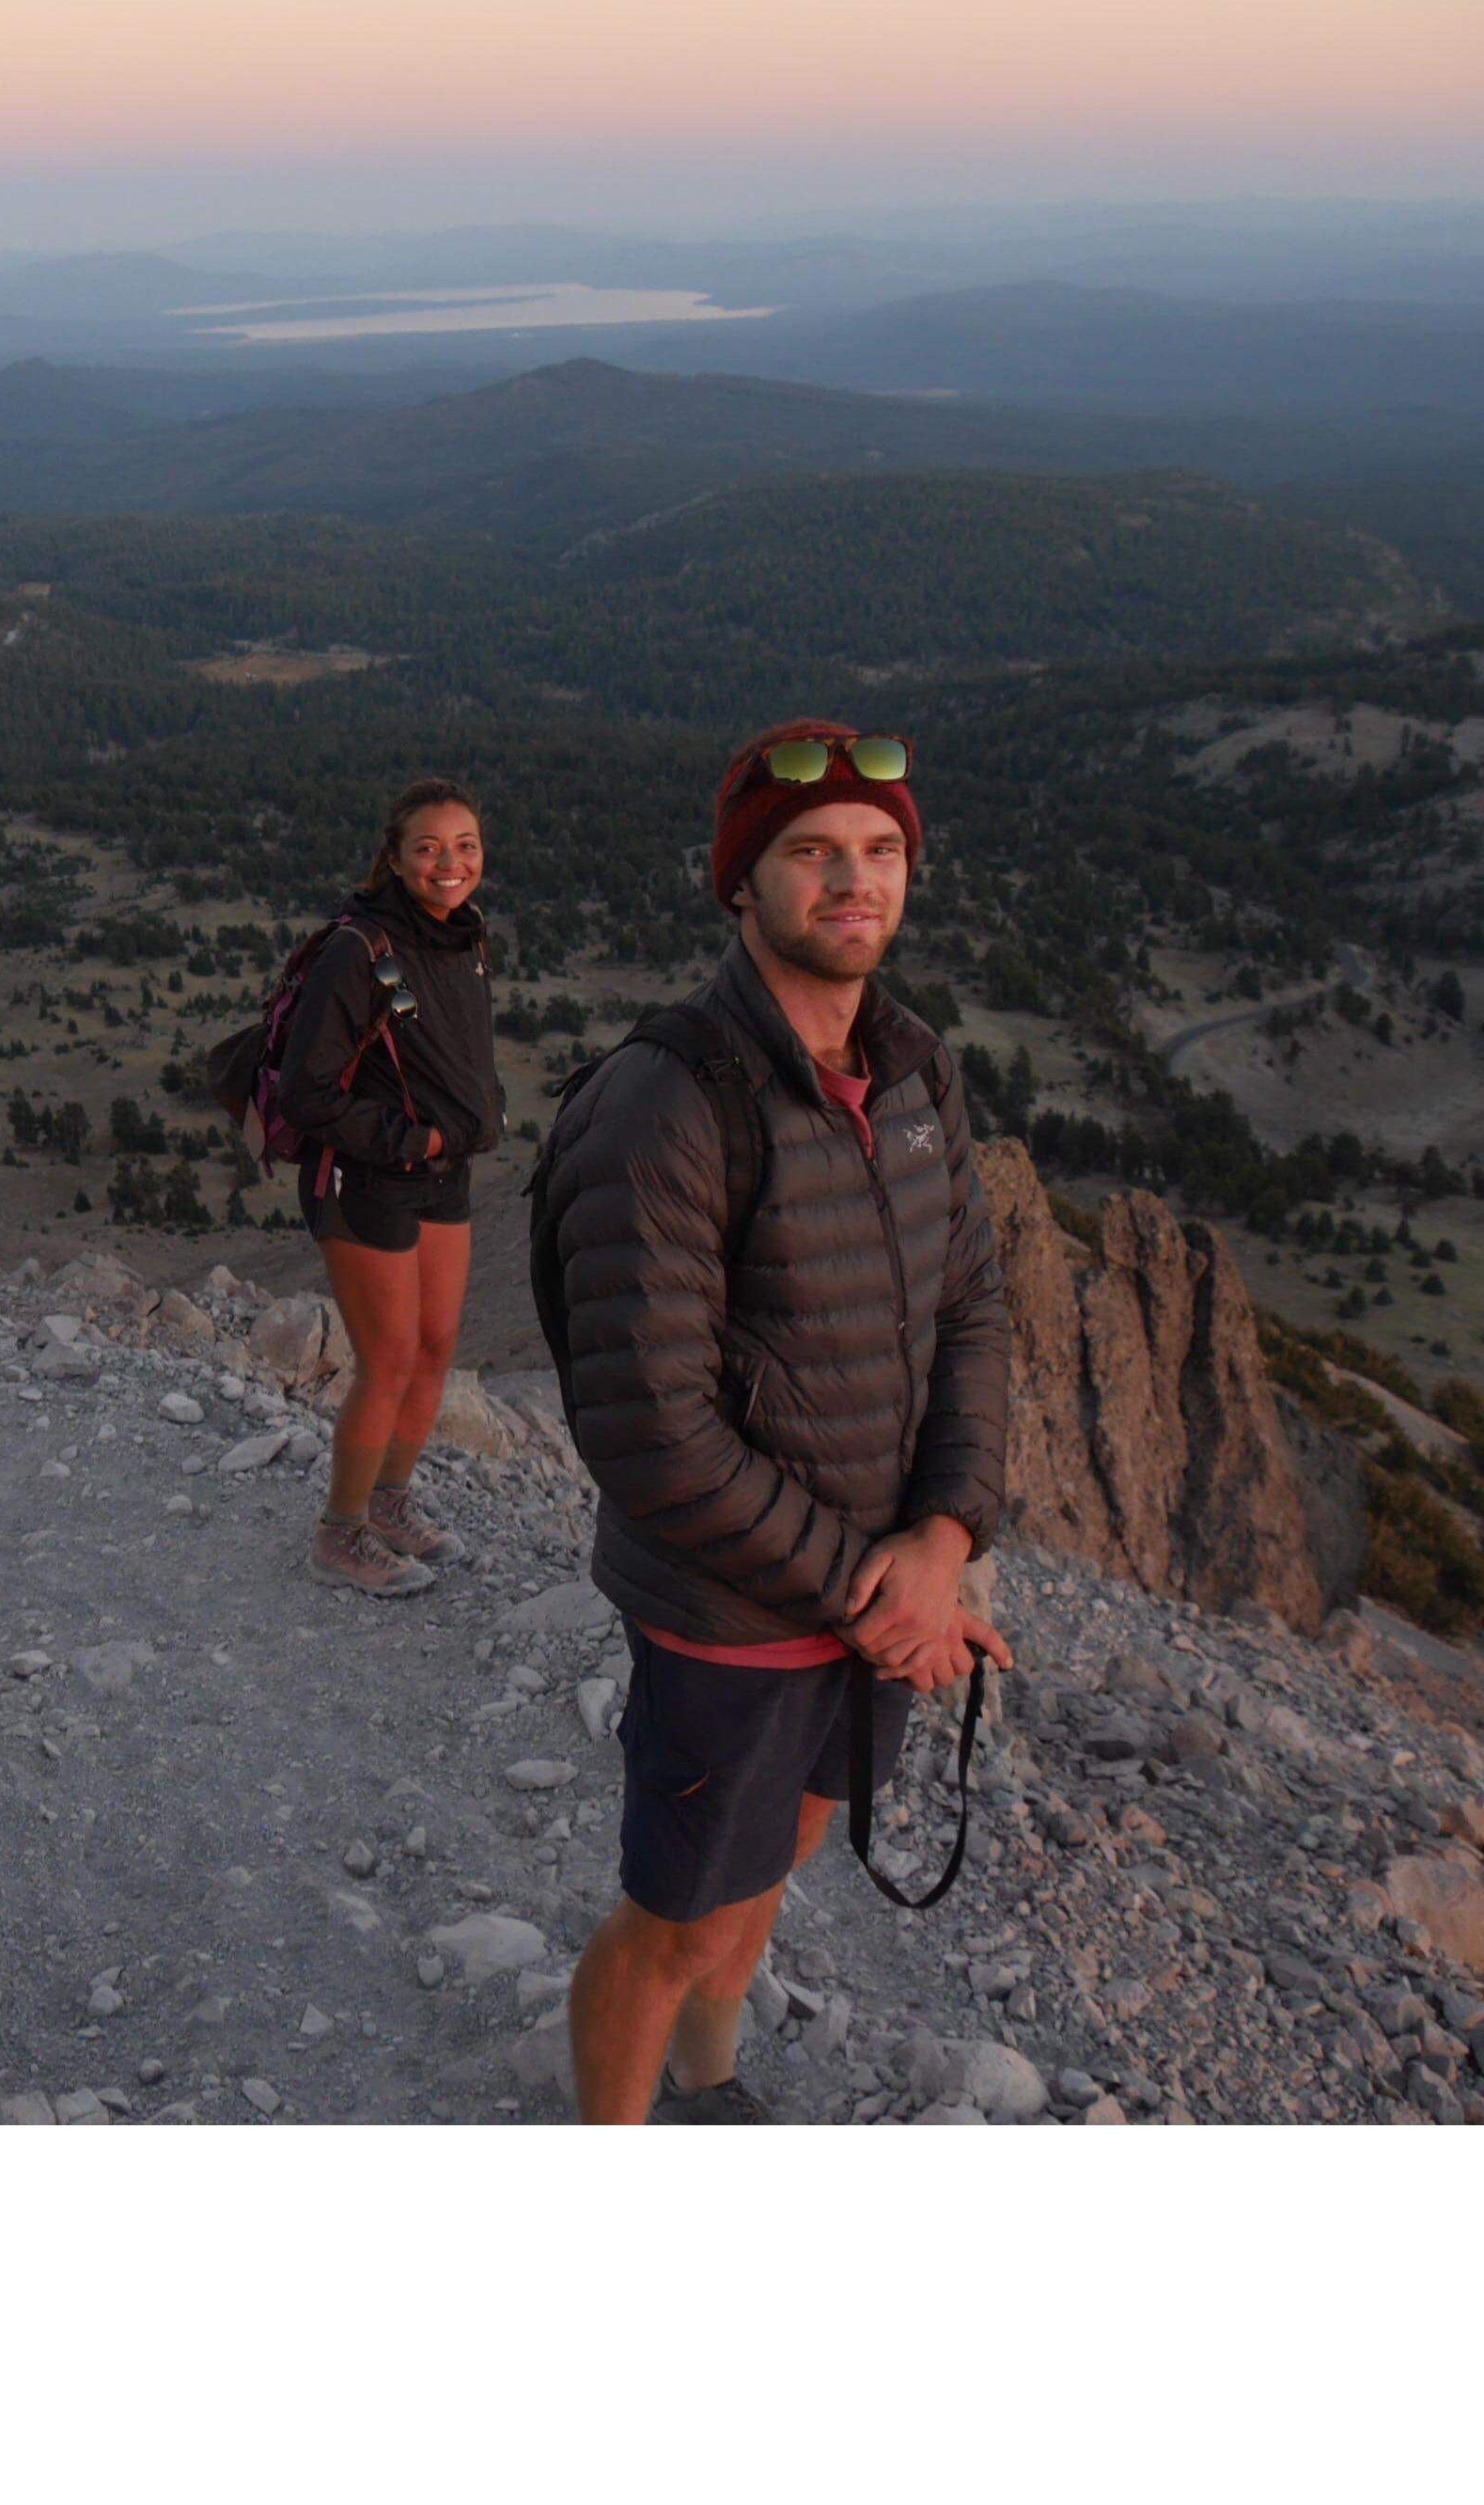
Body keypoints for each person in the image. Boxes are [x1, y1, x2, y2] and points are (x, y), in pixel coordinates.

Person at [535, 721, 1013, 2121]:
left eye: (880, 852)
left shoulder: (918, 1070)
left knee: (763, 1881)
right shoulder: (667, 1101)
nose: (853, 881)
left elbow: (974, 1312)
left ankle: (711, 2085)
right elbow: (650, 1431)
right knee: (676, 1921)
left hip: (878, 1594)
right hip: (733, 1614)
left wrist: (943, 1538)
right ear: (741, 884)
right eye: (812, 853)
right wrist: (879, 1598)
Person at [277, 777, 504, 1597]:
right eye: (430, 848)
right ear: (396, 858)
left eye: (466, 846)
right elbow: (307, 1093)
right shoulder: (358, 952)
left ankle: (389, 1504)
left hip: (441, 1173)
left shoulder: (466, 938)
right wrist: (409, 1139)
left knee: (438, 1349)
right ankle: (339, 1536)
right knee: (389, 1359)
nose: (451, 864)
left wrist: (478, 1119)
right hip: (368, 1177)